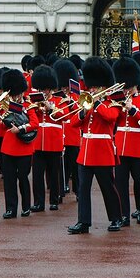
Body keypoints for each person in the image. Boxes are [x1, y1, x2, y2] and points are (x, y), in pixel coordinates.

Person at [68, 57, 123, 234]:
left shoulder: (111, 103)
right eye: (91, 87)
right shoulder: (87, 104)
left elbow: (111, 117)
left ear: (104, 87)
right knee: (83, 189)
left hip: (103, 150)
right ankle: (83, 222)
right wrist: (84, 111)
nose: (92, 90)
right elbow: (73, 123)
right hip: (86, 151)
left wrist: (97, 103)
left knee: (108, 187)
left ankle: (116, 218)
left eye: (95, 87)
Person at [113, 56, 140, 226]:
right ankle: (123, 215)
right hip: (121, 146)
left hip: (137, 146)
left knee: (139, 180)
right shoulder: (116, 100)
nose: (127, 89)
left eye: (129, 86)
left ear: (136, 84)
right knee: (120, 182)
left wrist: (133, 109)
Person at [0, 69, 39, 219]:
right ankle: (11, 208)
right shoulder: (6, 104)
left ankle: (26, 206)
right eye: (13, 94)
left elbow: (35, 124)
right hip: (8, 147)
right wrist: (5, 120)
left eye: (17, 93)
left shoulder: (28, 105)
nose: (15, 97)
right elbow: (4, 126)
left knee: (23, 178)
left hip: (24, 148)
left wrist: (21, 128)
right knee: (9, 180)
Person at [30, 65, 65, 212]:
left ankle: (54, 200)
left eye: (45, 89)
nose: (43, 91)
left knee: (54, 174)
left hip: (53, 142)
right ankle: (38, 202)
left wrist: (51, 109)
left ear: (51, 88)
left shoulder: (59, 101)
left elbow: (64, 116)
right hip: (38, 143)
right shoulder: (34, 101)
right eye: (41, 88)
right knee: (37, 175)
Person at [53, 59, 81, 200]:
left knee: (75, 166)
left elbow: (79, 111)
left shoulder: (76, 96)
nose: (65, 89)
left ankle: (78, 191)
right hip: (61, 134)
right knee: (61, 167)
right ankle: (60, 190)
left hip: (73, 134)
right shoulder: (57, 97)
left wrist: (71, 103)